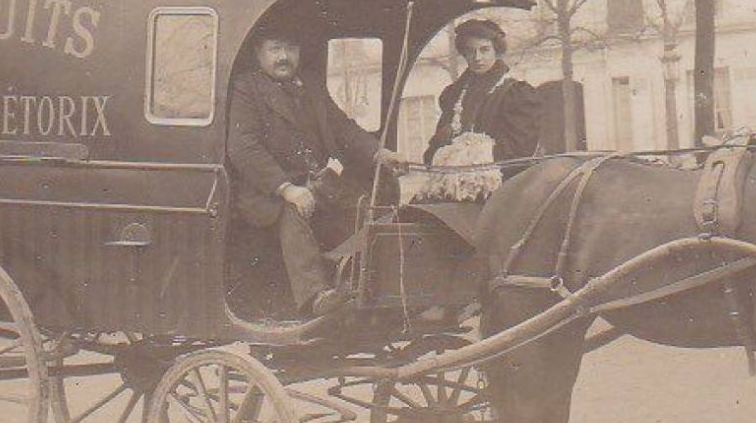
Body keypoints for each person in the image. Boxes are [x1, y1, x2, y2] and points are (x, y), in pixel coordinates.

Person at [228, 33, 406, 317]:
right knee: (294, 211)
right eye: (275, 48)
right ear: (259, 53)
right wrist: (286, 188)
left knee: (364, 208)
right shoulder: (246, 88)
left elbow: (342, 128)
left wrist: (379, 154)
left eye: (290, 47)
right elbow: (243, 148)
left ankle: (364, 286)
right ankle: (316, 295)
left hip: (319, 183)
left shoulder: (310, 84)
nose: (283, 56)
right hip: (269, 194)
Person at [423, 18, 541, 167]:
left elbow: (519, 152)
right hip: (452, 175)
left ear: (496, 50)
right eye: (471, 51)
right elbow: (432, 152)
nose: (477, 58)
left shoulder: (516, 93)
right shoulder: (455, 94)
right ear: (464, 54)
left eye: (484, 50)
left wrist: (472, 156)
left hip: (503, 180)